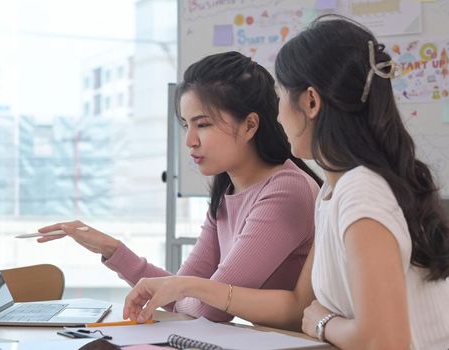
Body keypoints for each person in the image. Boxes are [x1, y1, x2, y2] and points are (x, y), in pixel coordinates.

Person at [123, 15, 449, 349]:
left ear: (310, 102)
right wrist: (187, 286)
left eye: (281, 96)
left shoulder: (361, 192)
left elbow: (382, 341)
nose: (276, 114)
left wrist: (324, 324)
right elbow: (299, 305)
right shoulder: (332, 192)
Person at [37, 51, 322, 322]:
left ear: (249, 126)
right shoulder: (227, 193)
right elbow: (181, 293)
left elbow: (207, 308)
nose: (190, 141)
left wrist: (186, 291)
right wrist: (113, 249)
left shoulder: (286, 191)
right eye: (187, 125)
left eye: (203, 125)